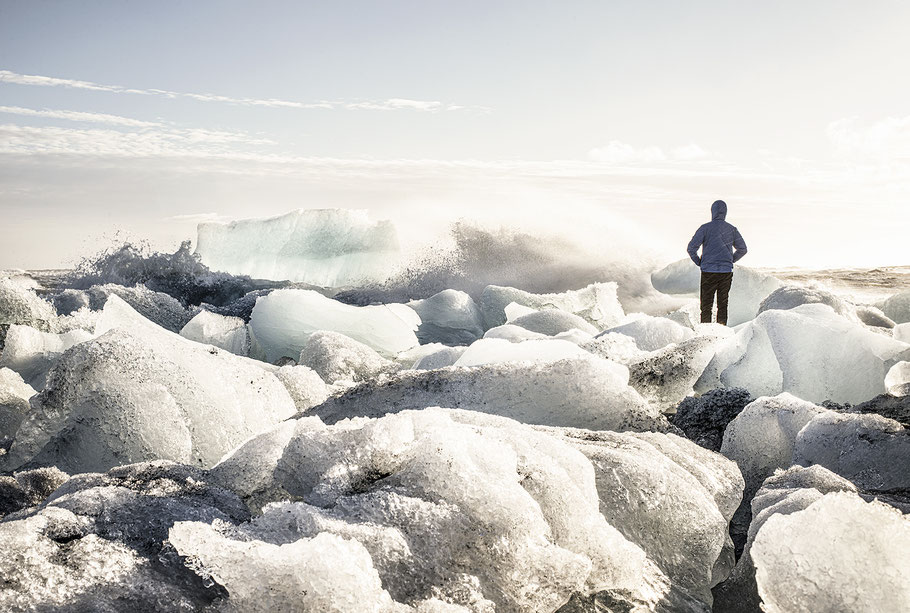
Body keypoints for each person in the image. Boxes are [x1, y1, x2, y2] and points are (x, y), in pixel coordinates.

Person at [687, 199, 747, 325]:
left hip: (708, 272)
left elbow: (691, 248)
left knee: (706, 305)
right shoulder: (732, 229)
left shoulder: (705, 228)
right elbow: (743, 249)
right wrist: (730, 260)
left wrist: (699, 262)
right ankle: (721, 334)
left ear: (712, 212)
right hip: (725, 273)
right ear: (725, 212)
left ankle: (705, 334)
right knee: (722, 305)